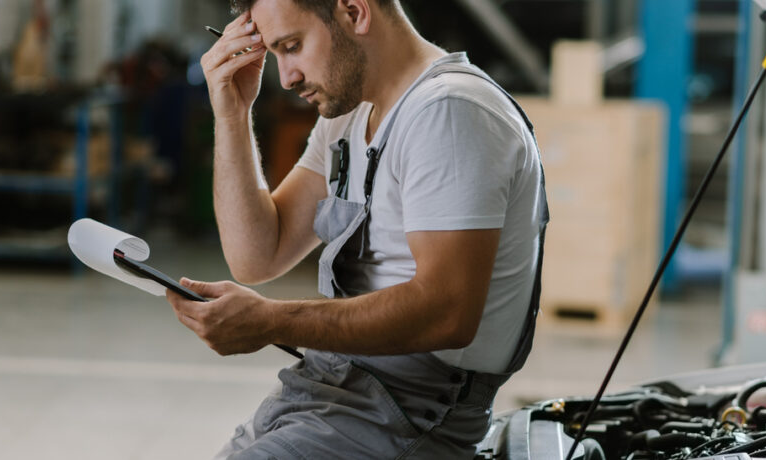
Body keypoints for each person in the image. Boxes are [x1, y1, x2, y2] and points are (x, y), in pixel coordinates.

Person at [163, 0, 548, 457]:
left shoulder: (448, 112)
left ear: (354, 12)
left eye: (292, 46)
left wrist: (270, 321)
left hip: (410, 411)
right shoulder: (349, 117)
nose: (286, 77)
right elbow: (257, 254)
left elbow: (447, 312)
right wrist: (232, 114)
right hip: (335, 387)